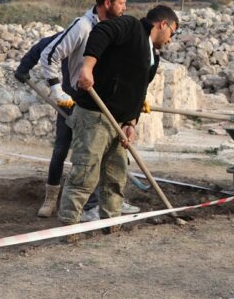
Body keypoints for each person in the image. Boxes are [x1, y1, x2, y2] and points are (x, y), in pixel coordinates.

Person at [58, 5, 178, 237]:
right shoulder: (131, 26)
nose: (171, 39)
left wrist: (131, 122)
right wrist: (88, 68)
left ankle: (111, 226)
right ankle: (68, 228)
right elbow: (102, 31)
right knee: (85, 173)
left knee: (115, 176)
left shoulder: (153, 57)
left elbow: (139, 92)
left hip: (119, 123)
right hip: (94, 114)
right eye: (173, 32)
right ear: (163, 24)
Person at [14, 32, 140, 220]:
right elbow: (43, 47)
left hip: (94, 106)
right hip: (69, 103)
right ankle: (51, 199)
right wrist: (23, 68)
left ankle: (97, 203)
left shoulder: (106, 40)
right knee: (61, 149)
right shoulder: (74, 37)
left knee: (97, 153)